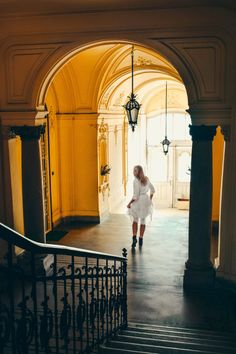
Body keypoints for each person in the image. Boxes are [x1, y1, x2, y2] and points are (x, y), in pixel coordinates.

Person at [127, 165, 155, 247]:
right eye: (133, 170)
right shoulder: (146, 179)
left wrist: (129, 203)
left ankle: (134, 237)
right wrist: (150, 199)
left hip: (138, 201)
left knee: (135, 220)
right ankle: (141, 239)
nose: (133, 172)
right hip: (145, 200)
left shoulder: (136, 180)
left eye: (135, 171)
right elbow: (153, 190)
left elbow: (135, 196)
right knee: (143, 220)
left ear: (139, 172)